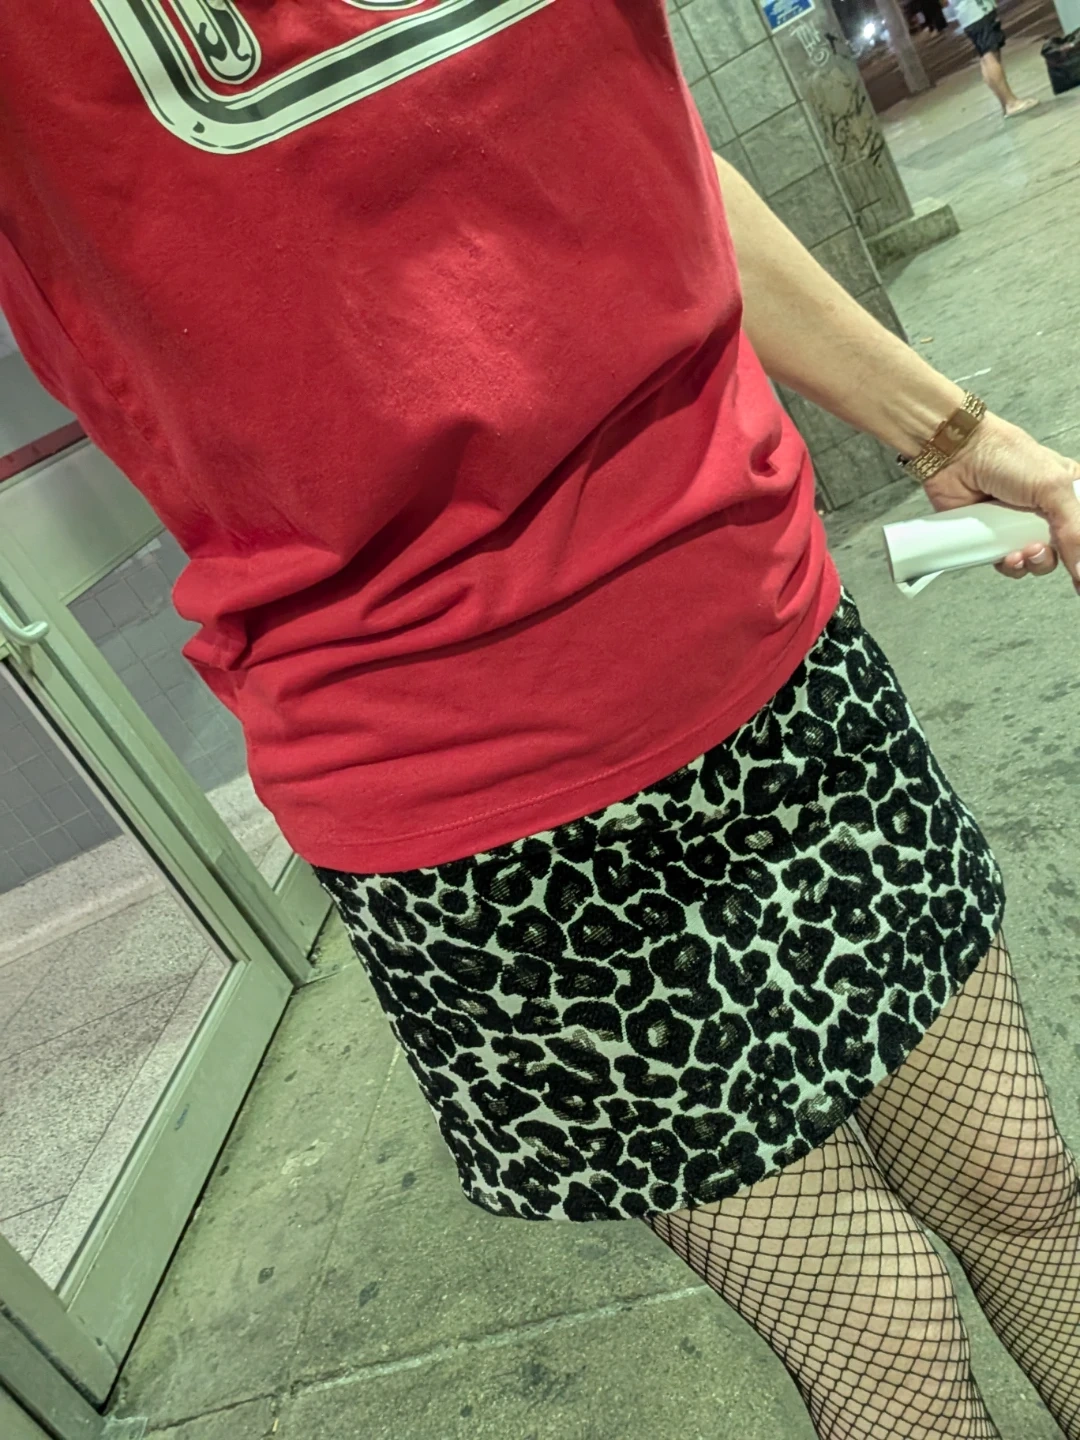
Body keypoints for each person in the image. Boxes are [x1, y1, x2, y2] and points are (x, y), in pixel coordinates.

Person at [2, 3, 1080, 1436]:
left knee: (1020, 1181)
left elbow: (643, 160)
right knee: (882, 1334)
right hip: (473, 820)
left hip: (775, 658)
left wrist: (958, 431)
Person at [953, 0, 1040, 115]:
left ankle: (1005, 102)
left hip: (967, 15)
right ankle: (1011, 102)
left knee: (985, 57)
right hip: (978, 9)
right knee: (991, 55)